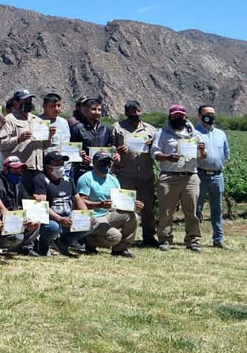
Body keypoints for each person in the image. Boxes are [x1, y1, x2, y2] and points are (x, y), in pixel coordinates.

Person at [151, 105, 207, 252]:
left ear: (185, 117)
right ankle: (164, 239)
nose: (178, 118)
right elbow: (155, 153)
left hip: (191, 176)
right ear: (170, 117)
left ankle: (193, 240)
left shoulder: (194, 134)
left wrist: (201, 149)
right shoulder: (161, 133)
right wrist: (167, 157)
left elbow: (202, 156)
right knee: (166, 212)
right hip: (169, 177)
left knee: (192, 211)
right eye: (175, 116)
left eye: (181, 115)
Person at [77, 151, 141, 257]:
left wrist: (134, 205)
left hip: (108, 213)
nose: (106, 165)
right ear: (95, 163)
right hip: (93, 216)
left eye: (108, 162)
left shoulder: (113, 180)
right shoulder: (86, 178)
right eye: (103, 162)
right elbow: (80, 201)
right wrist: (100, 204)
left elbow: (119, 201)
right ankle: (89, 241)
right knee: (115, 236)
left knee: (133, 216)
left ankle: (120, 249)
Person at [112, 100, 157, 246]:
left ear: (141, 110)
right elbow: (109, 148)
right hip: (125, 174)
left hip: (145, 174)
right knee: (125, 208)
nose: (135, 114)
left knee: (148, 208)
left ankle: (149, 237)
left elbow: (157, 150)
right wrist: (117, 151)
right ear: (126, 112)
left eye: (137, 111)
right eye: (131, 111)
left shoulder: (151, 130)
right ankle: (123, 238)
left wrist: (152, 146)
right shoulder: (117, 128)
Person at [32, 151, 92, 256]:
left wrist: (87, 215)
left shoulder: (67, 180)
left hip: (67, 216)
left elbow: (78, 200)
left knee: (90, 224)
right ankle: (42, 246)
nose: (60, 166)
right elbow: (42, 205)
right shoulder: (40, 179)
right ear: (47, 166)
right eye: (56, 163)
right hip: (50, 218)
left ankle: (62, 243)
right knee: (53, 227)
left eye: (61, 163)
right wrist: (59, 219)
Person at [0, 89, 49, 191]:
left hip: (37, 169)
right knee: (23, 200)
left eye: (29, 101)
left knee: (38, 200)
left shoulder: (37, 120)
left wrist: (49, 136)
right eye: (25, 101)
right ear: (15, 103)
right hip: (20, 169)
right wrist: (18, 139)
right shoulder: (9, 120)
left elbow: (44, 146)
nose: (28, 104)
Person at [195, 105, 230, 249]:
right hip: (199, 175)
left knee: (217, 209)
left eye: (212, 113)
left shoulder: (221, 134)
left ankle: (218, 239)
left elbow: (226, 154)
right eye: (207, 113)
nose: (210, 116)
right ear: (199, 115)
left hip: (217, 176)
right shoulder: (194, 133)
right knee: (196, 209)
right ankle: (194, 239)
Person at [0, 156, 41, 257]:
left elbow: (25, 202)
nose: (19, 171)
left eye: (20, 168)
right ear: (6, 169)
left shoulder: (18, 184)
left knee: (37, 221)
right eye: (15, 169)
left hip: (15, 220)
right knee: (17, 237)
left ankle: (25, 248)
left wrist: (34, 201)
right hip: (1, 223)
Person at [70, 97, 119, 181]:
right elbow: (71, 150)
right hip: (83, 171)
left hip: (103, 170)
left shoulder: (106, 128)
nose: (97, 112)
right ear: (85, 111)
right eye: (93, 109)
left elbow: (111, 147)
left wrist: (116, 155)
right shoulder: (77, 128)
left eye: (99, 110)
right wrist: (80, 156)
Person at [40, 93, 72, 175]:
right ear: (44, 106)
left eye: (58, 105)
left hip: (65, 168)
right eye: (52, 106)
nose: (56, 109)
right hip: (48, 168)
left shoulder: (64, 122)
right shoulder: (39, 122)